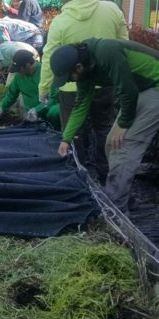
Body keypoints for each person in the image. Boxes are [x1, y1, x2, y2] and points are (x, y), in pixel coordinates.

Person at [50, 38, 159, 214]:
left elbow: (127, 89)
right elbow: (80, 106)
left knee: (124, 144)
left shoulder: (106, 51)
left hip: (155, 85)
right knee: (111, 142)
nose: (70, 80)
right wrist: (66, 139)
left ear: (78, 67)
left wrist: (124, 124)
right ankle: (119, 196)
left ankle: (116, 212)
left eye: (69, 76)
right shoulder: (85, 71)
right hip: (141, 90)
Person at [39, 0, 128, 184]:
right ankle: (108, 176)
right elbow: (124, 44)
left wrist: (43, 88)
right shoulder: (112, 10)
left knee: (73, 132)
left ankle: (78, 178)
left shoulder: (61, 22)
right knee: (105, 129)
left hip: (72, 86)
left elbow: (49, 55)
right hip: (107, 83)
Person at [0, 50, 60, 130]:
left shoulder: (46, 72)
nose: (17, 72)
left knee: (55, 112)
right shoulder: (18, 76)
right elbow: (11, 94)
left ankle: (57, 132)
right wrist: (1, 108)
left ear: (27, 65)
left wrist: (37, 110)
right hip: (31, 115)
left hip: (48, 110)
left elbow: (53, 98)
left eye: (19, 69)